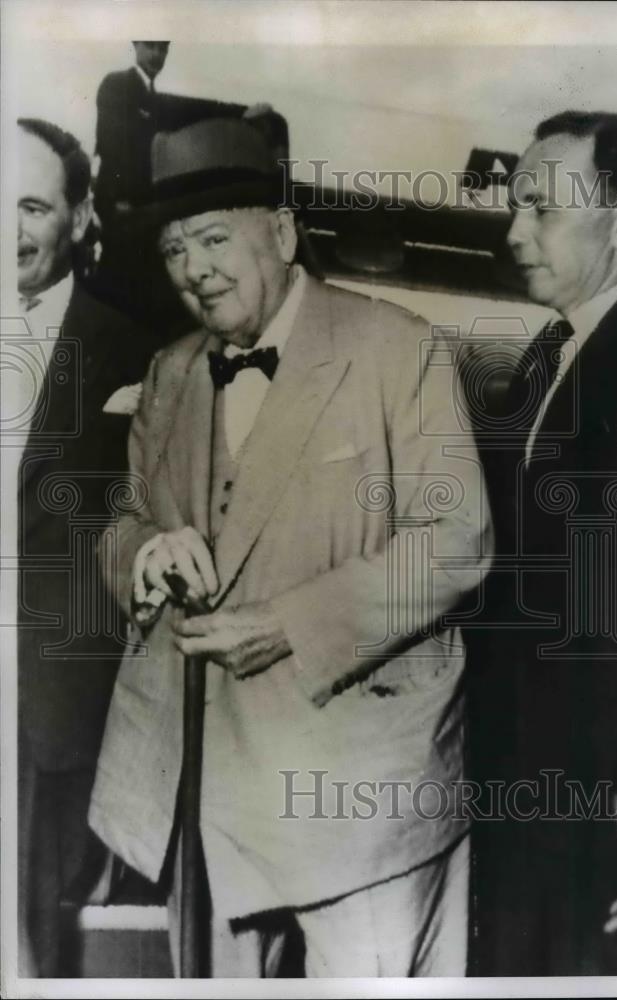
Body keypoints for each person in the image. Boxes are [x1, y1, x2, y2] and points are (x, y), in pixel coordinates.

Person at [88, 117, 492, 978]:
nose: (193, 269)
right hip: (201, 784)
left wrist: (292, 625)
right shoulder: (169, 371)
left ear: (280, 231)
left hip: (359, 788)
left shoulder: (398, 346)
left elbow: (454, 541)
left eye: (211, 238)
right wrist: (144, 554)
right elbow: (121, 518)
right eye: (172, 250)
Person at [467, 110, 617, 975]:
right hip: (528, 769)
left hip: (598, 791)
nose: (515, 234)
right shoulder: (551, 355)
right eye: (515, 208)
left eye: (541, 210)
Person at [16, 117, 154, 975]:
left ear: (78, 217)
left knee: (25, 940)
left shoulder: (136, 346)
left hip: (44, 701)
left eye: (29, 206)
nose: (6, 232)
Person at [93, 41, 170, 223]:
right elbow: (109, 144)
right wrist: (119, 197)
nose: (156, 55)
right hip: (121, 204)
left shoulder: (153, 96)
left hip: (144, 204)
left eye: (163, 49)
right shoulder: (117, 84)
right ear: (136, 45)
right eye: (151, 46)